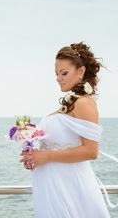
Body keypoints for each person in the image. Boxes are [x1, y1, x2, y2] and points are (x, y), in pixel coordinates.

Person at [20, 42, 110, 217]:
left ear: (81, 71)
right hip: (53, 186)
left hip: (70, 188)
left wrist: (46, 156)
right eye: (56, 74)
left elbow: (91, 151)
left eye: (64, 73)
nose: (58, 78)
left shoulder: (84, 103)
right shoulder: (71, 103)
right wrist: (35, 156)